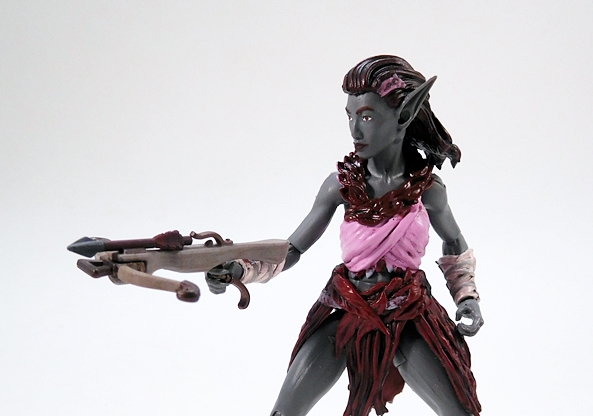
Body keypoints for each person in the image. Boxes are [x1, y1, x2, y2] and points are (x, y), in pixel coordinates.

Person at [207, 55, 483, 416]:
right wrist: (240, 270)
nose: (355, 130)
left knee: (460, 411)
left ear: (403, 117)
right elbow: (293, 248)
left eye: (366, 117)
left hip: (408, 311)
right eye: (350, 116)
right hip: (346, 306)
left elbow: (454, 241)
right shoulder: (340, 185)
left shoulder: (427, 189)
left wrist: (467, 296)